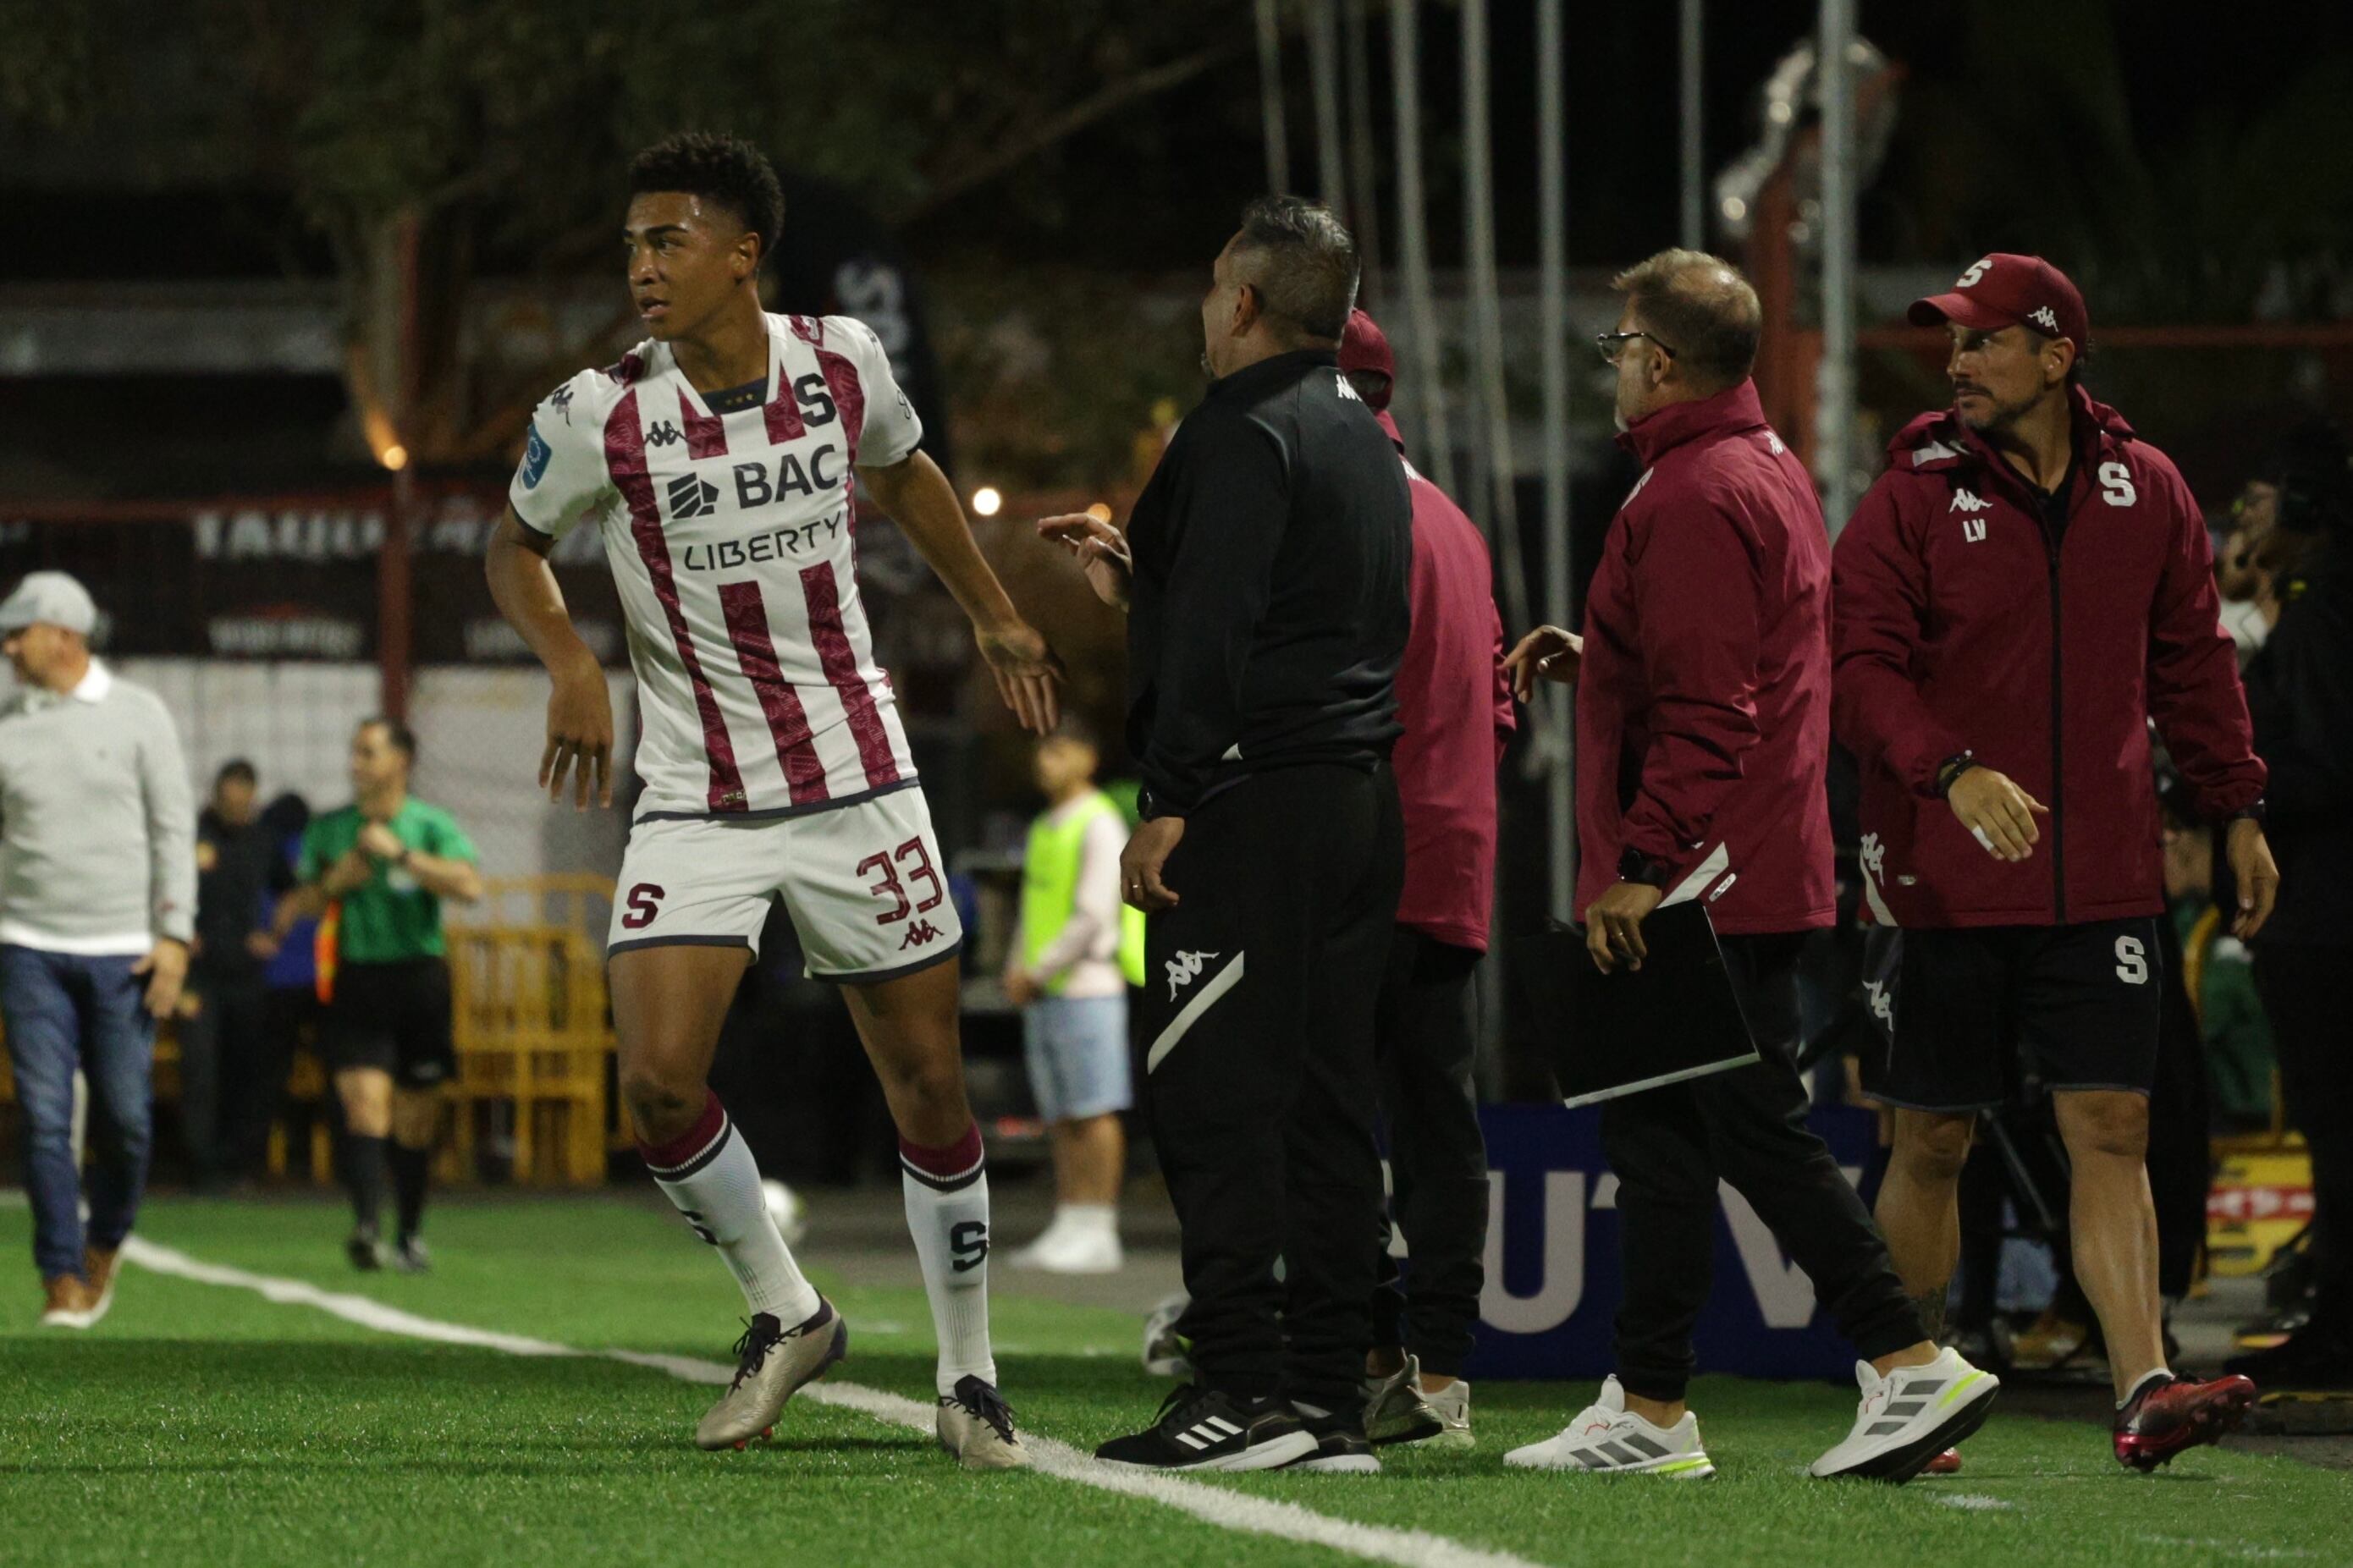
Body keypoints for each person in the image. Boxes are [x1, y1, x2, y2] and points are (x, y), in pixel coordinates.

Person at [483, 131, 1061, 1469]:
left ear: (743, 255)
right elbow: (512, 547)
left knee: (926, 1081)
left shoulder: (842, 362)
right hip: (693, 794)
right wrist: (570, 660)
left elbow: (908, 472)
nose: (641, 266)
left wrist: (993, 616)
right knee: (655, 1079)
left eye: (667, 240)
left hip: (859, 779)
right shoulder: (600, 413)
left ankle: (969, 1376)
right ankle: (789, 1310)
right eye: (631, 242)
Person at [1502, 250, 1990, 1484]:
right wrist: (1601, 658)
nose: (1612, 364)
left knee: (1755, 1130)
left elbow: (1718, 708)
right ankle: (1652, 1405)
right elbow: (1745, 665)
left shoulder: (1691, 493)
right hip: (1747, 861)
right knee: (1662, 1142)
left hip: (1696, 878)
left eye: (1619, 343)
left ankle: (1905, 1361)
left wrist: (1644, 863)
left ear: (1660, 362)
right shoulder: (1756, 469)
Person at [1832, 253, 2277, 1467]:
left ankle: (2141, 1383)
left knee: (2113, 1125)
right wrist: (1950, 769)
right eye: (1954, 344)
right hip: (1941, 865)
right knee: (1932, 1137)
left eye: (1981, 342)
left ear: (2058, 355)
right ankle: (1907, 1388)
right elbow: (1858, 670)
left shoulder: (2154, 489)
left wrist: (2237, 806)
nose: (1957, 364)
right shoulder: (1912, 496)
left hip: (2103, 871)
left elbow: (2194, 664)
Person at [1043, 195, 1412, 1476]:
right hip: (1360, 802)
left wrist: (1171, 795)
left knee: (1214, 1100)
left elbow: (1222, 630)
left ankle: (1237, 1391)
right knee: (1324, 1106)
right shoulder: (1363, 433)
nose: (1207, 310)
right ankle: (1324, 1398)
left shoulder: (1238, 428)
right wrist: (1147, 580)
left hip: (1250, 811)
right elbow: (1296, 607)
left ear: (1245, 302)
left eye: (1214, 289)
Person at [1335, 307, 1514, 1451]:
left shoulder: (1337, 511)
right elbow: (1498, 707)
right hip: (1452, 852)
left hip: (1354, 849)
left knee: (1329, 1117)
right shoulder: (1452, 519)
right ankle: (1441, 1372)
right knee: (1438, 1119)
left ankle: (1361, 1356)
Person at [0, 570, 194, 1328]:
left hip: (127, 954)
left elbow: (172, 827)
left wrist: (174, 934)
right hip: (27, 948)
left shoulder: (140, 715)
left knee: (126, 1118)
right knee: (45, 1117)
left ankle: (104, 1241)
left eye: (20, 633)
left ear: (64, 636)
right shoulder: (7, 725)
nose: (9, 647)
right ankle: (61, 1274)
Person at [2230, 420, 2353, 1389]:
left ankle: (2340, 1322)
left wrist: (2234, 792)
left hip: (2323, 906)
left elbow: (2325, 761)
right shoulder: (2311, 607)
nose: (2244, 514)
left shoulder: (2320, 613)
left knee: (2332, 1114)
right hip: (2322, 902)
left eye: (2263, 496)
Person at [270, 718, 482, 1272]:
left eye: (368, 752)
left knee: (414, 1119)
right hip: (355, 978)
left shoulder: (430, 824)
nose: (356, 762)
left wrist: (403, 856)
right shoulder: (332, 827)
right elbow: (301, 907)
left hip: (419, 980)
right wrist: (333, 882)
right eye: (355, 752)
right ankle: (366, 1227)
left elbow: (470, 885)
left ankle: (408, 1232)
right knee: (364, 1107)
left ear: (401, 760)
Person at [1001, 722, 1141, 1274]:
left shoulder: (1099, 821)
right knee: (1061, 1113)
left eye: (1058, 750)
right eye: (1041, 751)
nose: (1045, 761)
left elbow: (1093, 912)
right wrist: (1018, 966)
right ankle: (1071, 1218)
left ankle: (1100, 1224)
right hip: (1046, 988)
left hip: (1088, 987)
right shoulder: (1045, 825)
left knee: (1094, 1107)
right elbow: (1032, 909)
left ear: (1088, 756)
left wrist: (1038, 968)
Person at [181, 759, 290, 1191]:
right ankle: (199, 1166)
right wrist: (177, 932)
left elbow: (292, 892)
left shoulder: (263, 841)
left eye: (243, 804)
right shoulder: (192, 836)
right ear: (216, 796)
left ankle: (238, 1165)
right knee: (200, 1069)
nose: (236, 810)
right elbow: (155, 886)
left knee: (244, 1070)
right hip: (197, 976)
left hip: (246, 975)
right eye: (229, 802)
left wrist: (273, 934)